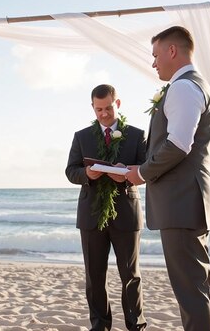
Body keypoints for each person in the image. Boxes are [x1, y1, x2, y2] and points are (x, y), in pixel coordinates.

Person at [126, 26, 210, 331]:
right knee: (201, 287)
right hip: (192, 200)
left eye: (155, 55)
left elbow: (180, 144)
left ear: (172, 51)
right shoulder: (198, 86)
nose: (153, 63)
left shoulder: (182, 88)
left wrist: (141, 173)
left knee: (191, 292)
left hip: (181, 202)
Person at [65, 84, 147, 331]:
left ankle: (136, 326)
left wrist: (129, 175)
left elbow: (147, 172)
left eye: (108, 108)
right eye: (98, 109)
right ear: (92, 107)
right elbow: (71, 171)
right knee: (94, 276)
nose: (103, 114)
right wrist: (87, 173)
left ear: (118, 104)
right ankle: (100, 326)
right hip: (91, 215)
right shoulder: (82, 136)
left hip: (127, 215)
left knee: (130, 276)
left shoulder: (136, 135)